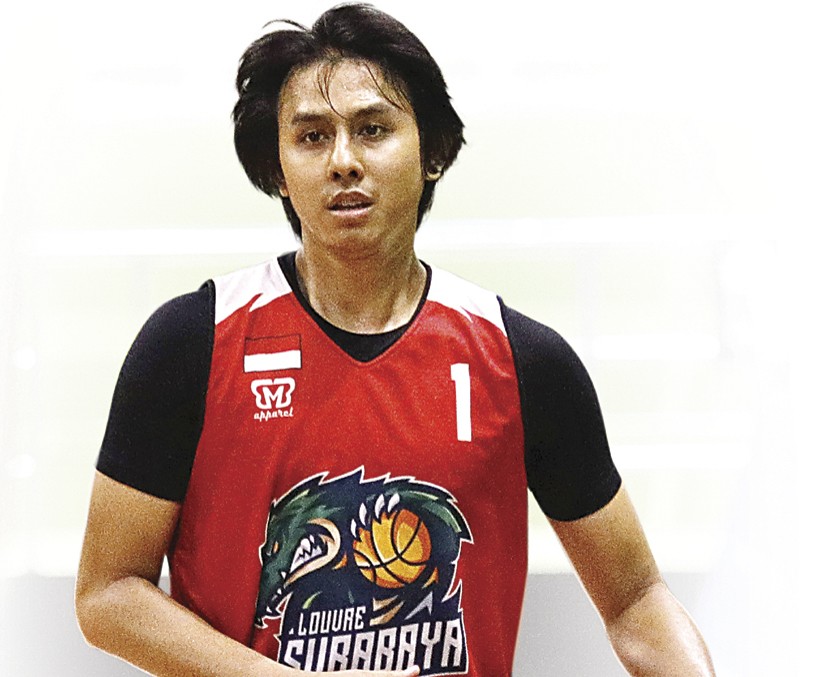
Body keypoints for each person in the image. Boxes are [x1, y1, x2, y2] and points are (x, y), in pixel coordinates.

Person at [75, 4, 715, 676]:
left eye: (372, 129)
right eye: (312, 137)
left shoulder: (523, 360)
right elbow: (108, 592)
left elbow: (636, 599)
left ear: (432, 151)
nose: (343, 161)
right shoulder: (190, 343)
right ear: (276, 169)